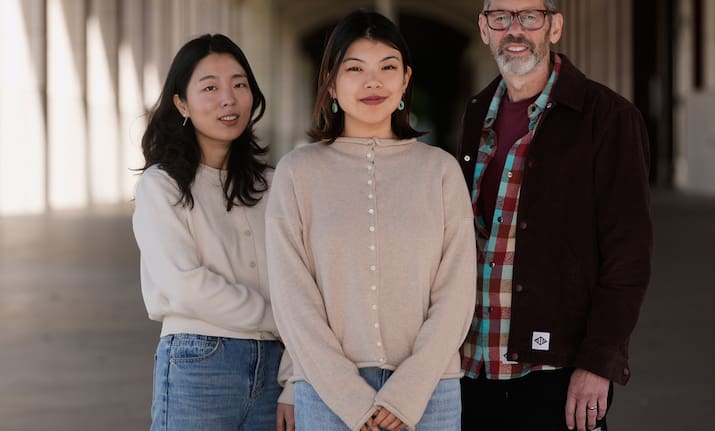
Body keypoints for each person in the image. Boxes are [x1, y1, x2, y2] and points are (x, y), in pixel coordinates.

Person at [265, 10, 476, 431]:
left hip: (428, 395)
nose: (373, 81)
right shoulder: (297, 172)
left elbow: (456, 291)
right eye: (355, 68)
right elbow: (292, 299)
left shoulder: (440, 170)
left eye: (387, 68)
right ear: (331, 83)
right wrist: (350, 398)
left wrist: (409, 392)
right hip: (327, 396)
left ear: (406, 80)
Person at [456, 1, 653, 431]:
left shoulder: (608, 118)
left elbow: (629, 257)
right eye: (500, 17)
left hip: (555, 373)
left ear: (555, 27)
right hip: (473, 367)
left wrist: (599, 362)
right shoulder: (476, 113)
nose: (515, 29)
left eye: (530, 16)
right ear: (484, 29)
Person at [131, 33, 294, 431]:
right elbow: (185, 284)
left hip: (275, 368)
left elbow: (299, 285)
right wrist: (280, 319)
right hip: (199, 359)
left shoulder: (274, 185)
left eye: (239, 85)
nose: (228, 99)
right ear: (181, 103)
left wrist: (294, 379)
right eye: (210, 88)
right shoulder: (161, 186)